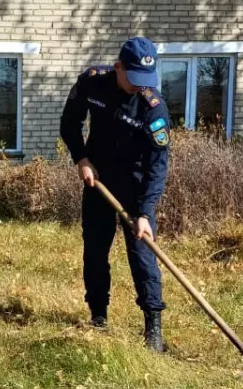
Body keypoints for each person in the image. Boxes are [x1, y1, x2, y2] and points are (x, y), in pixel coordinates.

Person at [59, 36, 172, 353]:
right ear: (118, 67)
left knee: (142, 257)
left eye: (145, 80)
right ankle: (98, 316)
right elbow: (70, 122)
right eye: (133, 78)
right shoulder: (93, 83)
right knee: (95, 252)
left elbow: (158, 165)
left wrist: (146, 212)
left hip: (135, 189)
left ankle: (153, 329)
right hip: (98, 182)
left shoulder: (153, 108)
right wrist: (81, 158)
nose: (139, 86)